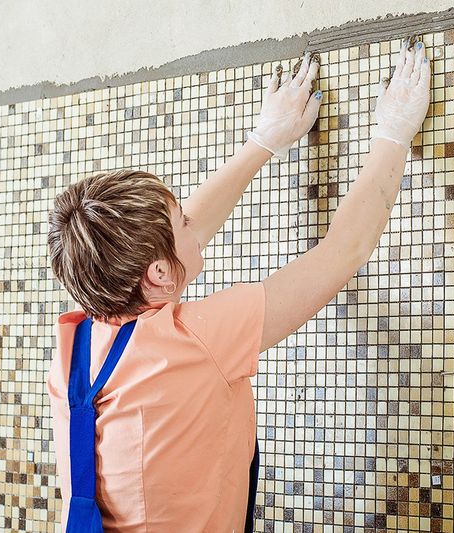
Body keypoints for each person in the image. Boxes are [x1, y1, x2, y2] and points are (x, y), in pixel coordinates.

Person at [45, 40, 432, 532]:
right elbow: (342, 252)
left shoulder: (74, 348)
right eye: (181, 219)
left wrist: (264, 140)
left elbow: (172, 249)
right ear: (158, 274)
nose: (192, 221)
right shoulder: (199, 339)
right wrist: (394, 132)